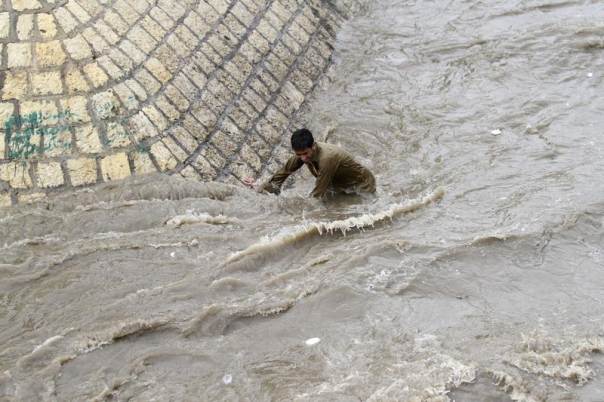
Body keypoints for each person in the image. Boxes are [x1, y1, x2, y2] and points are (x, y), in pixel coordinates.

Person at [244, 128, 376, 198]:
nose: (303, 158)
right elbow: (280, 176)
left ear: (313, 146)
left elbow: (318, 193)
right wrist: (259, 188)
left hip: (362, 185)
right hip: (339, 185)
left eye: (305, 154)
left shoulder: (327, 158)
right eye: (299, 155)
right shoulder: (302, 155)